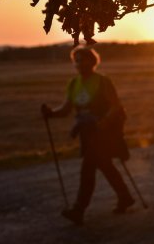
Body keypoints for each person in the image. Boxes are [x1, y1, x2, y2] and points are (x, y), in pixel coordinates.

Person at [41, 46, 134, 226]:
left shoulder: (103, 81)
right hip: (87, 133)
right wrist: (51, 113)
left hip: (103, 133)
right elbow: (67, 109)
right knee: (105, 166)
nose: (79, 63)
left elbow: (116, 106)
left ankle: (79, 210)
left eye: (82, 59)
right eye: (76, 60)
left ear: (93, 61)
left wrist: (102, 123)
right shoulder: (74, 83)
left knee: (88, 169)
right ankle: (125, 198)